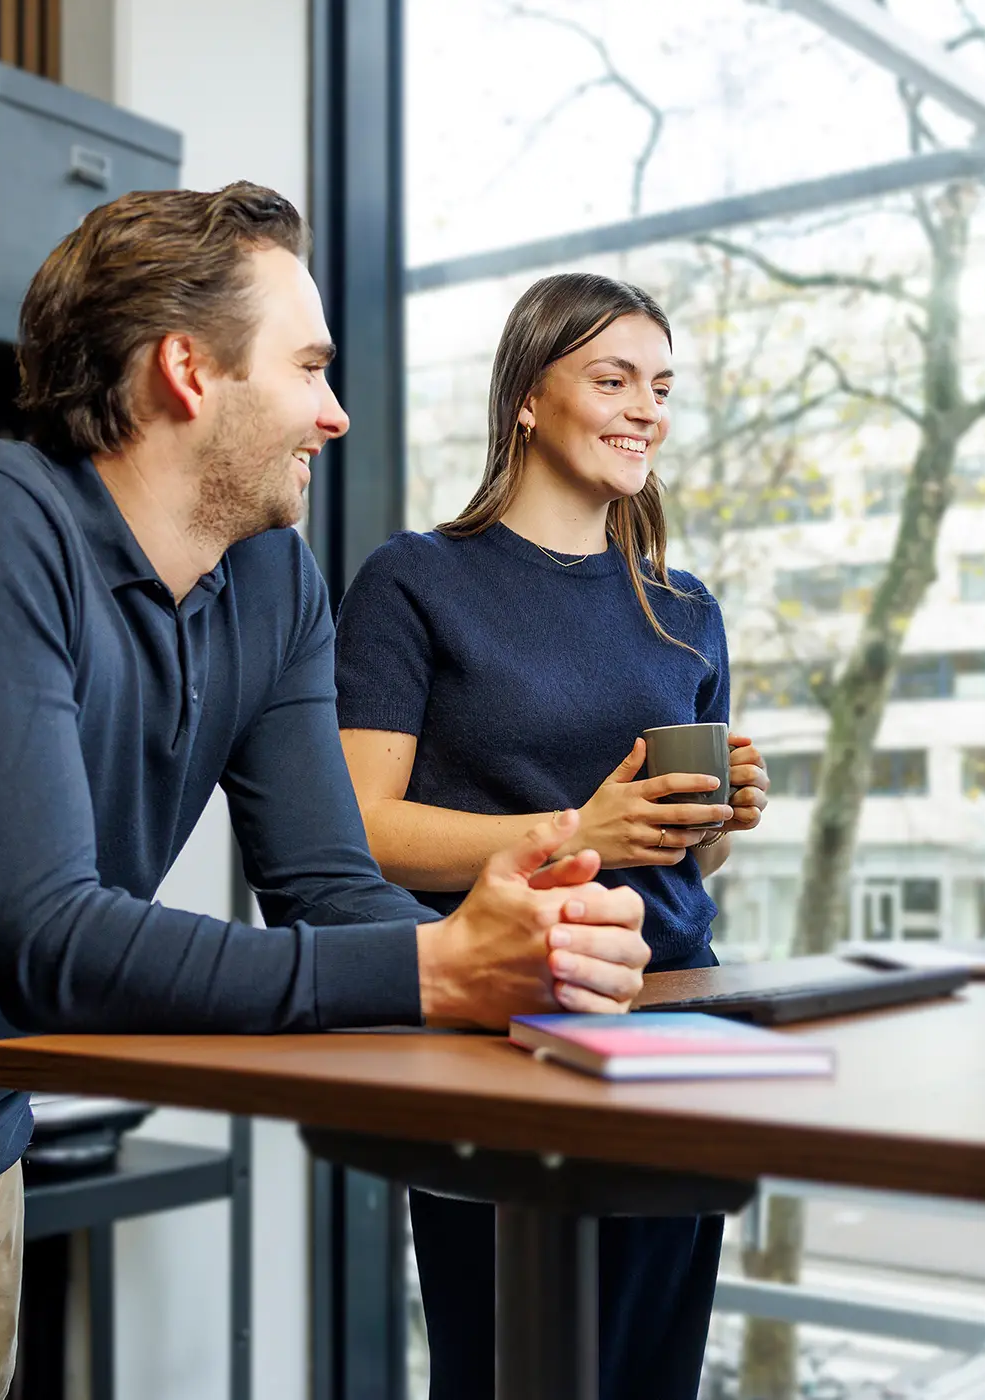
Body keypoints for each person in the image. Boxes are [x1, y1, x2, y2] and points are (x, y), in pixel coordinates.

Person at [0, 184, 653, 1400]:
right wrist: (437, 970)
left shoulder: (272, 583)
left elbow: (320, 881)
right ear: (187, 370)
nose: (337, 412)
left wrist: (518, 950)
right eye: (310, 368)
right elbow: (48, 938)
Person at [333, 272, 771, 1400]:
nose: (646, 409)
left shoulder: (685, 607)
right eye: (613, 378)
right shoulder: (415, 580)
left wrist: (717, 816)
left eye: (662, 386)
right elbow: (363, 828)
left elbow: (676, 854)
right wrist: (582, 825)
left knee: (652, 1370)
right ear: (529, 395)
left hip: (681, 1018)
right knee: (511, 1365)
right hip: (512, 1021)